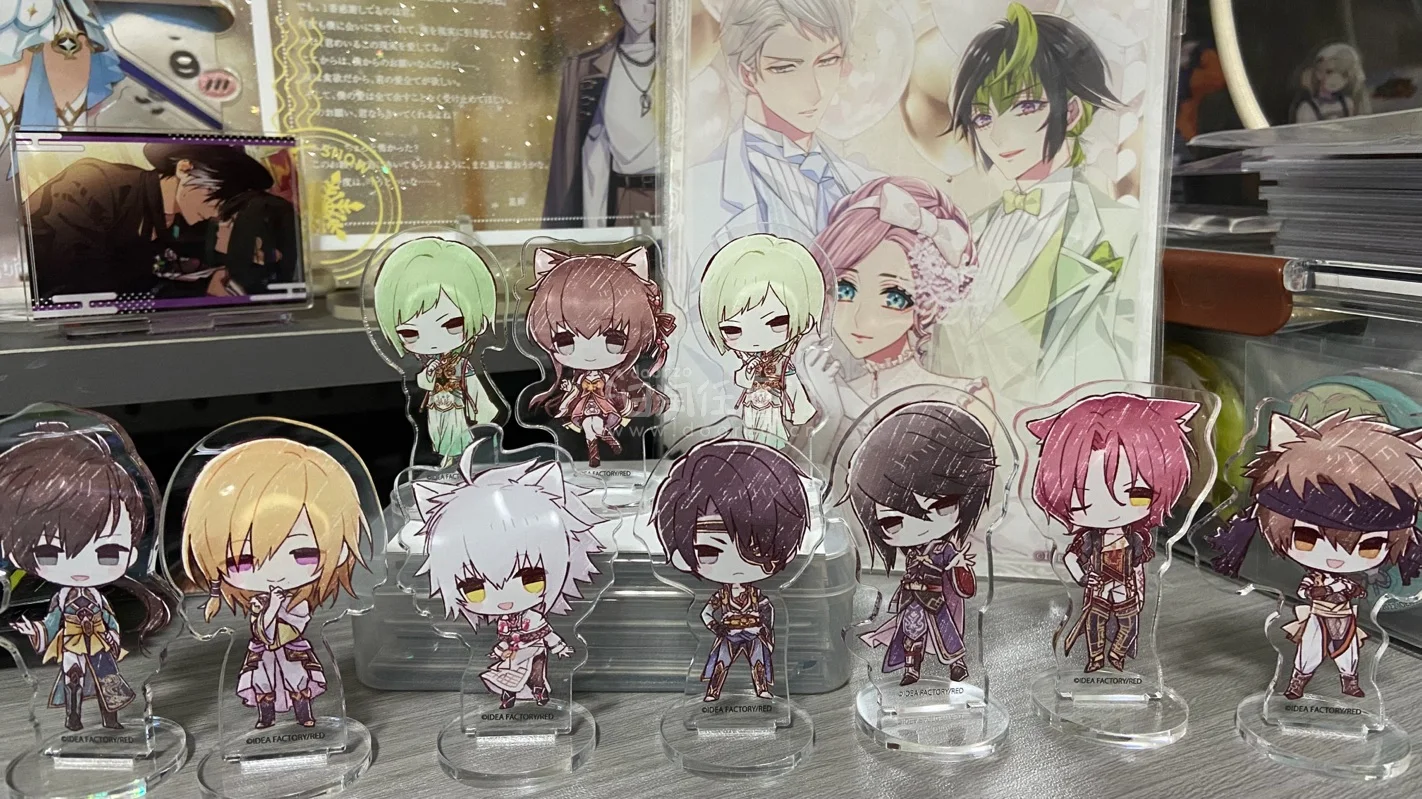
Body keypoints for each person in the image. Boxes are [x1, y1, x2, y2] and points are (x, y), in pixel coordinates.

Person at [931, 3, 1133, 401]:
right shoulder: (967, 232)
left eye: (1024, 107)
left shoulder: (1121, 231)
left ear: (1071, 112)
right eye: (983, 118)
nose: (999, 136)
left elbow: (1123, 374)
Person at [1211, 412, 1422, 699]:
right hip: (1318, 616)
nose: (1336, 557)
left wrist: (1350, 590)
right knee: (1309, 651)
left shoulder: (1350, 578)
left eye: (1369, 546)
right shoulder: (1315, 578)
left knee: (1348, 653)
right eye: (1307, 538)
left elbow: (1355, 588)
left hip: (1345, 617)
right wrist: (1321, 591)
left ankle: (1349, 682)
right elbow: (1306, 589)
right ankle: (1297, 682)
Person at [181, 438, 369, 729]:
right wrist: (269, 609)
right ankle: (265, 720)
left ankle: (304, 717)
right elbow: (263, 634)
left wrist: (273, 609)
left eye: (303, 553)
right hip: (262, 657)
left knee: (299, 683)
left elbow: (280, 633)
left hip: (292, 652)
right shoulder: (259, 602)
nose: (274, 572)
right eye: (242, 560)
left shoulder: (299, 605)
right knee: (262, 686)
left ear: (341, 550)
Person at [0, 420, 170, 732]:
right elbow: (52, 623)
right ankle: (73, 718)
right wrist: (35, 630)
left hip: (99, 643)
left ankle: (111, 719)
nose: (79, 567)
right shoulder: (61, 598)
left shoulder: (98, 599)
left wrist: (111, 637)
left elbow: (112, 622)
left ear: (132, 553)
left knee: (108, 681)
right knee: (72, 678)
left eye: (108, 553)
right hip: (72, 643)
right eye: (49, 553)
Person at [683, 0, 870, 265]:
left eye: (827, 61)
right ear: (747, 75)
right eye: (785, 68)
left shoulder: (867, 185)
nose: (814, 91)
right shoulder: (697, 191)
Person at [412, 452, 604, 708]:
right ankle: (509, 696)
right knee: (507, 675)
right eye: (475, 589)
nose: (503, 600)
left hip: (534, 651)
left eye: (530, 579)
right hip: (514, 654)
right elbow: (506, 639)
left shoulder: (533, 617)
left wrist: (559, 647)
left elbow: (547, 633)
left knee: (535, 675)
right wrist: (500, 649)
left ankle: (538, 693)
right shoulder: (504, 622)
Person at [1027, 393, 1198, 673]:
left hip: (1125, 587)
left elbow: (1139, 565)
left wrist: (1138, 589)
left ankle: (1117, 654)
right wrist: (1084, 578)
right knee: (1095, 623)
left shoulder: (1135, 537)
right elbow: (1070, 558)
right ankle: (1095, 658)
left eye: (1136, 493)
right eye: (1083, 497)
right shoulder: (1090, 539)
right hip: (1097, 589)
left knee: (1128, 623)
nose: (1113, 507)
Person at [846, 401, 995, 685]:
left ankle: (957, 666)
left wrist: (958, 565)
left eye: (940, 506)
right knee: (911, 632)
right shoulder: (912, 553)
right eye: (893, 521)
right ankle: (911, 669)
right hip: (912, 598)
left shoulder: (944, 549)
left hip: (937, 599)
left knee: (947, 633)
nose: (918, 525)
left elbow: (963, 582)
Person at [652, 436, 810, 701]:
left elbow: (769, 611)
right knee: (720, 662)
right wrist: (717, 628)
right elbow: (705, 613)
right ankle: (713, 693)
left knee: (759, 662)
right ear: (682, 556)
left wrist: (767, 631)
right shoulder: (721, 596)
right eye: (710, 550)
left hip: (753, 632)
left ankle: (762, 690)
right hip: (730, 632)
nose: (738, 564)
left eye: (759, 551)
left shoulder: (756, 595)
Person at [26, 142, 278, 297]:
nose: (219, 213)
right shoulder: (93, 184)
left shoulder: (184, 222)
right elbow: (79, 285)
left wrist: (206, 285)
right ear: (185, 168)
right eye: (220, 199)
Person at [525, 246, 675, 467]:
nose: (589, 354)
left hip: (628, 455)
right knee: (582, 433)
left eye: (614, 340)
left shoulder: (627, 382)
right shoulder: (563, 380)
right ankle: (598, 446)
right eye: (565, 342)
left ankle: (604, 443)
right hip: (571, 454)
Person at [373, 237, 501, 465]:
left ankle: (456, 462)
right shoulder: (429, 365)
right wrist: (429, 373)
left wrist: (484, 415)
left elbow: (474, 390)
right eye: (410, 332)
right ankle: (447, 462)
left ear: (480, 322)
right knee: (439, 439)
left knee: (458, 440)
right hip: (435, 410)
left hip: (456, 410)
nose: (432, 341)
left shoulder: (462, 365)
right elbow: (423, 383)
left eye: (452, 324)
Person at [699, 233, 823, 448]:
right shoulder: (748, 361)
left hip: (772, 406)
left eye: (777, 322)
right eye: (732, 329)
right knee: (750, 434)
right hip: (751, 405)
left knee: (771, 438)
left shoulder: (783, 362)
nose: (756, 339)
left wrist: (800, 411)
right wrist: (747, 373)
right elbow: (741, 380)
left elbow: (792, 384)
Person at [544, 0, 659, 227]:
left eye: (652, 1)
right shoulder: (588, 68)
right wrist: (593, 232)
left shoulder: (681, 64)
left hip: (675, 201)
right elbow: (593, 157)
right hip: (623, 200)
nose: (644, 10)